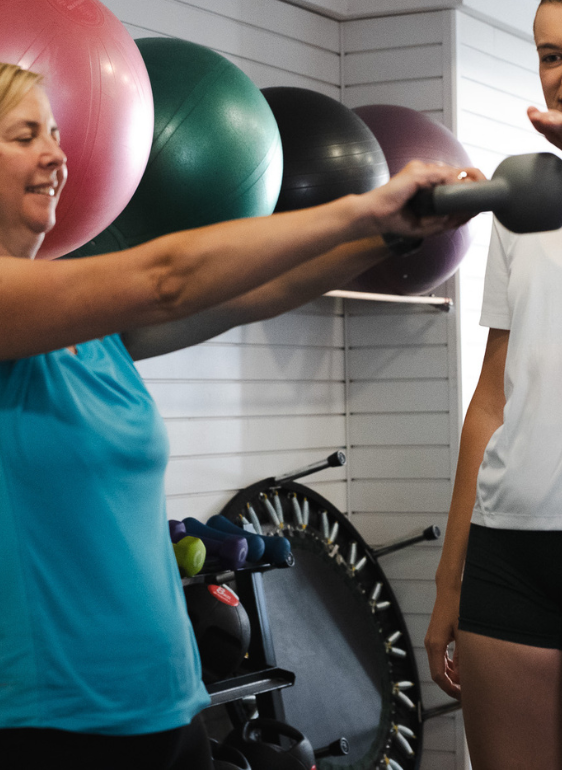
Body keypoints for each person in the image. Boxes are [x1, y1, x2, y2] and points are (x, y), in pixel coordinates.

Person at [0, 60, 478, 770]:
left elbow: (252, 294)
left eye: (56, 134)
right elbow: (167, 279)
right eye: (24, 136)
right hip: (51, 729)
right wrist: (366, 208)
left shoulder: (90, 329)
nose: (56, 156)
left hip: (166, 708)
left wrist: (394, 235)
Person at [425, 0, 562, 770]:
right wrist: (449, 582)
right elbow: (492, 397)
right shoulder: (523, 200)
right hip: (514, 540)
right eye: (551, 55)